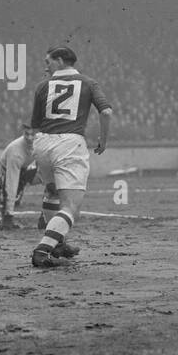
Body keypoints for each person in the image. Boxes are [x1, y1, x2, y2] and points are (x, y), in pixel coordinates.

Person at [28, 46, 113, 268]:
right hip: (69, 143)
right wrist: (103, 140)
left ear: (61, 61)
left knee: (52, 192)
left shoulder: (42, 86)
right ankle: (43, 250)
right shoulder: (89, 83)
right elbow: (106, 111)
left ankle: (59, 243)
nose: (45, 66)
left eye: (48, 61)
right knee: (70, 207)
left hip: (43, 142)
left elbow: (35, 125)